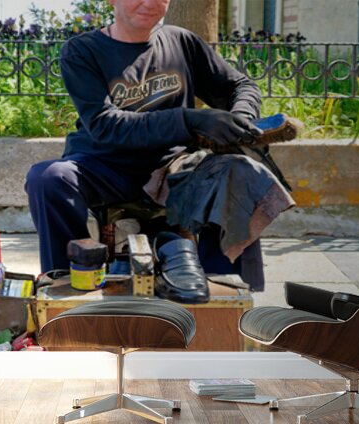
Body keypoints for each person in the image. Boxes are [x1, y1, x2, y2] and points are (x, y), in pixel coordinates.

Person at [25, 0, 293, 295]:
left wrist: (239, 118)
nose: (150, 2)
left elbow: (240, 86)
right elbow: (105, 125)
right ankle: (65, 284)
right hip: (103, 167)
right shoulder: (81, 51)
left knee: (239, 172)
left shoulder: (182, 41)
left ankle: (225, 290)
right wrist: (190, 120)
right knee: (49, 178)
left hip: (173, 168)